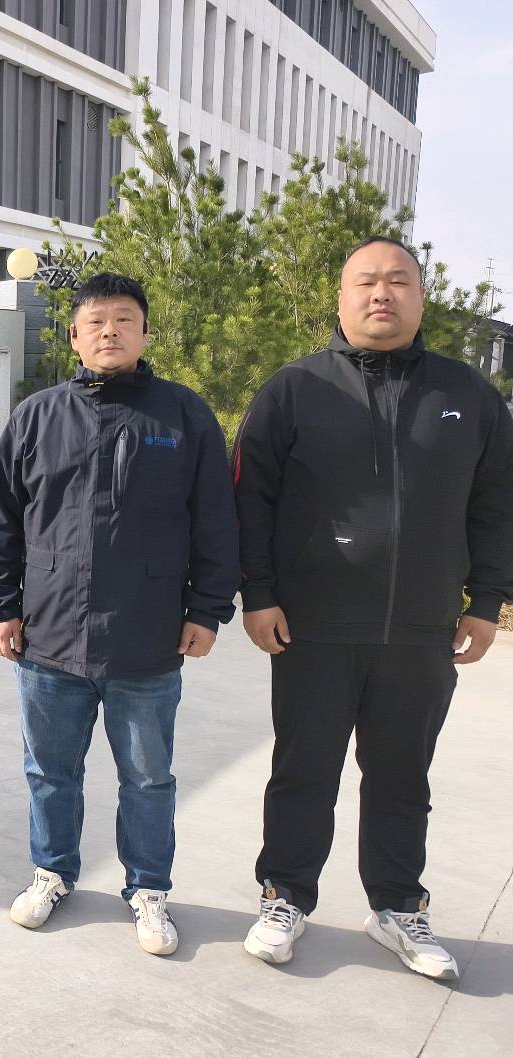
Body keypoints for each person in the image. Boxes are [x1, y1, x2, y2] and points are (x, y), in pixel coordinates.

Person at [233, 236, 513, 980]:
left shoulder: (468, 397)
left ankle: (397, 906)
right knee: (303, 771)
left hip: (422, 631)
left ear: (421, 297)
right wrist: (257, 594)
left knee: (402, 777)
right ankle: (285, 895)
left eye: (397, 281)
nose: (381, 293)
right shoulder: (295, 389)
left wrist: (487, 600)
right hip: (313, 627)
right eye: (365, 281)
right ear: (342, 296)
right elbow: (251, 500)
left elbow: (498, 506)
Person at [0, 272, 239, 956]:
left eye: (124, 319)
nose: (109, 331)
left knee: (147, 777)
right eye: (95, 321)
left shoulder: (183, 416)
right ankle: (52, 872)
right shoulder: (38, 417)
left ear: (146, 333)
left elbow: (216, 520)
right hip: (49, 636)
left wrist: (207, 609)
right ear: (74, 336)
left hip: (147, 637)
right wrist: (0, 606)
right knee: (50, 771)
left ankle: (148, 889)